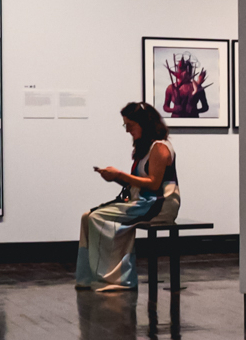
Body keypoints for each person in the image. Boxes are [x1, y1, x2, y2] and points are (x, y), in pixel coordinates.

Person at [75, 102, 180, 291]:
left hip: (160, 204)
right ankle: (89, 277)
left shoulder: (160, 148)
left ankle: (116, 278)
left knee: (97, 217)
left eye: (130, 125)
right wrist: (114, 178)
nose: (127, 130)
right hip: (145, 201)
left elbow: (154, 183)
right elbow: (138, 184)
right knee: (86, 217)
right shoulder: (145, 148)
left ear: (144, 123)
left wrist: (120, 175)